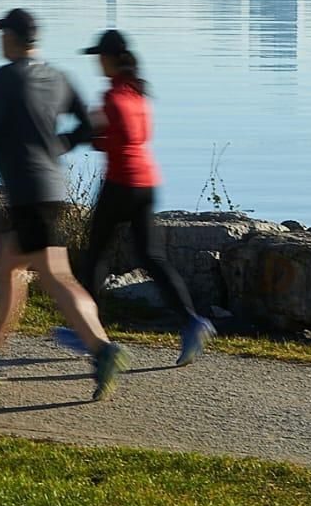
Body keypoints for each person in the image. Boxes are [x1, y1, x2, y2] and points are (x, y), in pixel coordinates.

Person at [0, 7, 130, 401]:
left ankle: (102, 349)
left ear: (14, 38)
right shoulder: (58, 77)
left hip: (29, 193)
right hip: (50, 188)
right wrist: (59, 146)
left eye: (3, 34)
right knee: (8, 266)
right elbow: (89, 125)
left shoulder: (5, 77)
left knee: (54, 277)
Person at [71, 28, 216, 366]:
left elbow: (96, 133)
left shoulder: (111, 97)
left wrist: (74, 137)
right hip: (148, 182)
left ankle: (90, 333)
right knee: (152, 258)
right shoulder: (138, 94)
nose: (97, 64)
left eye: (98, 58)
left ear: (108, 59)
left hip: (120, 182)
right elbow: (132, 136)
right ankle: (193, 322)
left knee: (95, 258)